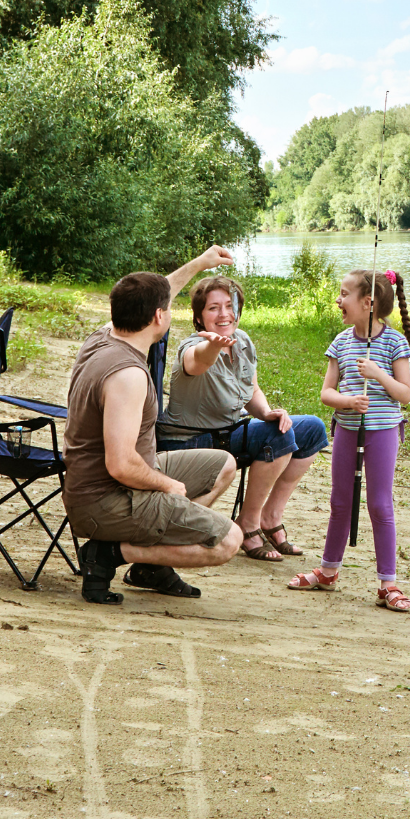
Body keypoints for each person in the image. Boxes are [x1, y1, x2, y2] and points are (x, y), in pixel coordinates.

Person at [63, 246, 244, 605]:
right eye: (169, 310)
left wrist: (199, 265)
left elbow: (158, 293)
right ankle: (111, 554)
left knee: (223, 464)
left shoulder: (103, 336)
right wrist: (168, 485)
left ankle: (151, 563)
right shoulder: (127, 375)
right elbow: (120, 464)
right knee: (227, 542)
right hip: (105, 500)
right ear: (159, 317)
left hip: (117, 483)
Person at [287, 269, 410, 611]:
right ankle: (328, 570)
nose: (339, 300)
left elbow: (405, 394)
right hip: (346, 430)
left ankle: (388, 582)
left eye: (344, 294)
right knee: (340, 502)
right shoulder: (341, 343)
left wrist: (378, 374)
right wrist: (348, 402)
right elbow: (327, 393)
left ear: (367, 302)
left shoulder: (393, 342)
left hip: (383, 432)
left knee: (379, 504)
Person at [157, 276, 329, 561]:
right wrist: (212, 345)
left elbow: (251, 389)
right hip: (188, 443)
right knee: (277, 435)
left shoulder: (243, 341)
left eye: (229, 305)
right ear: (199, 317)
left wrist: (267, 412)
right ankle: (247, 525)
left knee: (311, 428)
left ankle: (269, 518)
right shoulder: (193, 346)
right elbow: (198, 362)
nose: (223, 314)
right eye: (213, 308)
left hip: (228, 434)